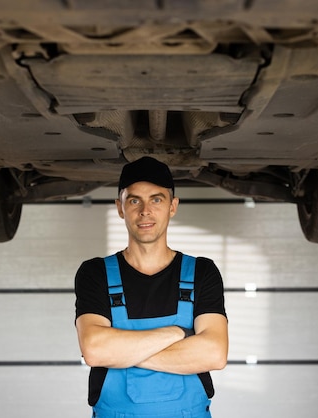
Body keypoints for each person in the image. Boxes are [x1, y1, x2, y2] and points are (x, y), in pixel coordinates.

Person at [74, 156, 229, 418]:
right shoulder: (95, 273)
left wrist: (121, 353)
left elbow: (214, 354)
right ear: (120, 208)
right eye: (134, 200)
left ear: (172, 206)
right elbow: (95, 350)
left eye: (156, 199)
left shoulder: (202, 271)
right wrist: (178, 333)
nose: (145, 210)